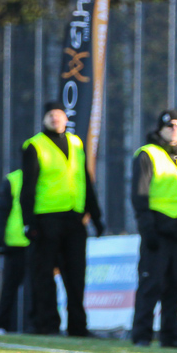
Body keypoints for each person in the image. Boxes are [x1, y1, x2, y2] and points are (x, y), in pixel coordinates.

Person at [21, 101, 104, 336]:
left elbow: (85, 181)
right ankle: (46, 324)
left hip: (74, 219)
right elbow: (28, 188)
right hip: (46, 220)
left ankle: (78, 326)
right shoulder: (34, 146)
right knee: (44, 274)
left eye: (59, 114)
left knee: (76, 274)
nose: (55, 119)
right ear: (44, 119)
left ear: (66, 118)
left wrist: (96, 216)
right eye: (50, 115)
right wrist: (30, 222)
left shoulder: (76, 143)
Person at [131, 109, 177, 349]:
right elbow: (140, 193)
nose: (175, 130)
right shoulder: (148, 154)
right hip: (157, 230)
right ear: (160, 128)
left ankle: (170, 336)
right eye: (170, 126)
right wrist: (146, 227)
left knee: (175, 286)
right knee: (151, 284)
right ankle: (142, 335)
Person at [0, 170, 30, 334]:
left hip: (37, 243)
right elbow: (2, 211)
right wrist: (1, 239)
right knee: (10, 286)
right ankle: (1, 324)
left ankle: (36, 324)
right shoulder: (14, 179)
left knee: (38, 287)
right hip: (16, 242)